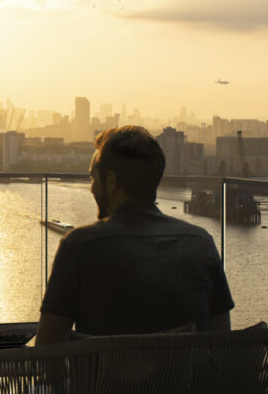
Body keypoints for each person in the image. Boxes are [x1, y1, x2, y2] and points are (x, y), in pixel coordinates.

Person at [35, 126, 234, 346]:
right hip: (183, 381)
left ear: (111, 181)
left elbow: (47, 353)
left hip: (102, 381)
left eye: (93, 177)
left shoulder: (79, 247)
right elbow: (222, 343)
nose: (91, 187)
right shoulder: (201, 244)